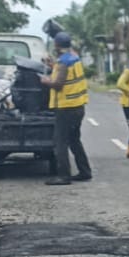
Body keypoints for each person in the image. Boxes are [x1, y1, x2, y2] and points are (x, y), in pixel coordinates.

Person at [39, 32, 92, 185]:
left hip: (66, 108)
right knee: (74, 140)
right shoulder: (74, 58)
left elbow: (58, 84)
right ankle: (84, 171)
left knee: (60, 141)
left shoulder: (63, 62)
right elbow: (65, 73)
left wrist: (46, 81)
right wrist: (52, 65)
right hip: (78, 106)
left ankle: (64, 176)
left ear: (56, 45)